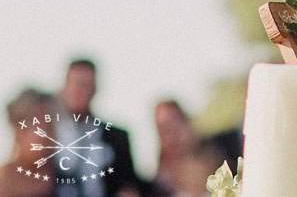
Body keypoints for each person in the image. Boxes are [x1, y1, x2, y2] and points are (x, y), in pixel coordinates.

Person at [52, 60, 145, 197]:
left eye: (86, 85)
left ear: (95, 89)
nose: (80, 91)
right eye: (76, 84)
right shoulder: (47, 136)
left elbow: (129, 184)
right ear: (64, 87)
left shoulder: (118, 138)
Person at [150, 101, 226, 197]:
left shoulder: (223, 169)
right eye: (163, 129)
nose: (172, 135)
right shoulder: (159, 188)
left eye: (175, 123)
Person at [4, 89, 56, 197]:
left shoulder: (66, 180)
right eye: (36, 125)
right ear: (18, 131)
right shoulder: (4, 182)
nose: (45, 133)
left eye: (50, 124)